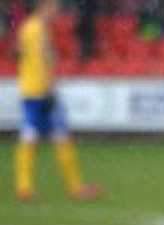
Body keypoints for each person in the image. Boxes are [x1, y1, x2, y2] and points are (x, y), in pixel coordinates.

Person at [14, 0, 102, 202]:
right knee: (61, 136)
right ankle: (75, 187)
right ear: (44, 6)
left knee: (29, 137)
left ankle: (24, 187)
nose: (57, 11)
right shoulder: (39, 29)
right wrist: (51, 88)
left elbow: (19, 53)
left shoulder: (26, 27)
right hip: (43, 90)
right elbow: (43, 59)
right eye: (55, 7)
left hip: (28, 90)